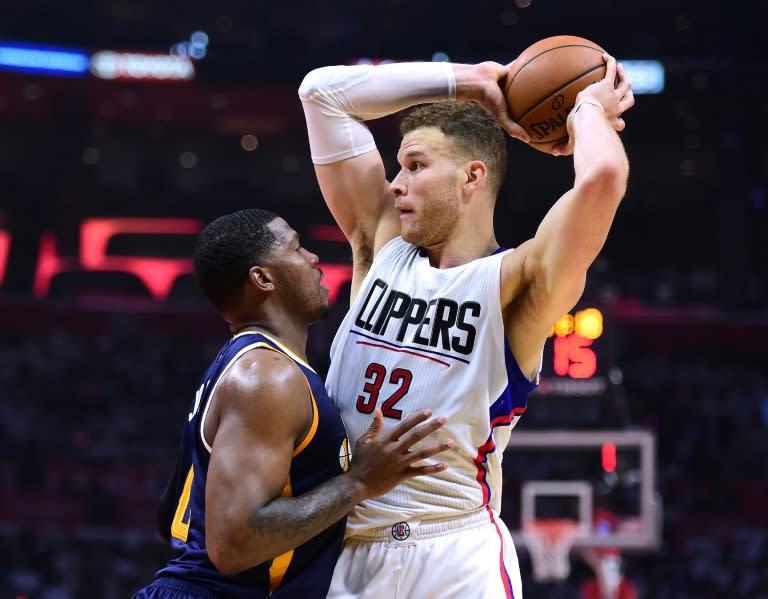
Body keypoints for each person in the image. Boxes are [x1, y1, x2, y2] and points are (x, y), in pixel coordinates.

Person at [299, 53, 634, 598]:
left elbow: (602, 176)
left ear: (471, 176)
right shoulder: (380, 243)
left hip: (453, 553)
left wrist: (589, 109)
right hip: (344, 550)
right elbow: (321, 92)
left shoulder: (518, 281)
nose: (396, 183)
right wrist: (473, 82)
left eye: (415, 165)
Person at [131, 208, 453, 599]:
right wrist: (358, 482)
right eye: (297, 248)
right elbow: (231, 546)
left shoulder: (248, 366)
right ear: (262, 278)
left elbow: (171, 515)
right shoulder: (268, 376)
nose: (313, 258)